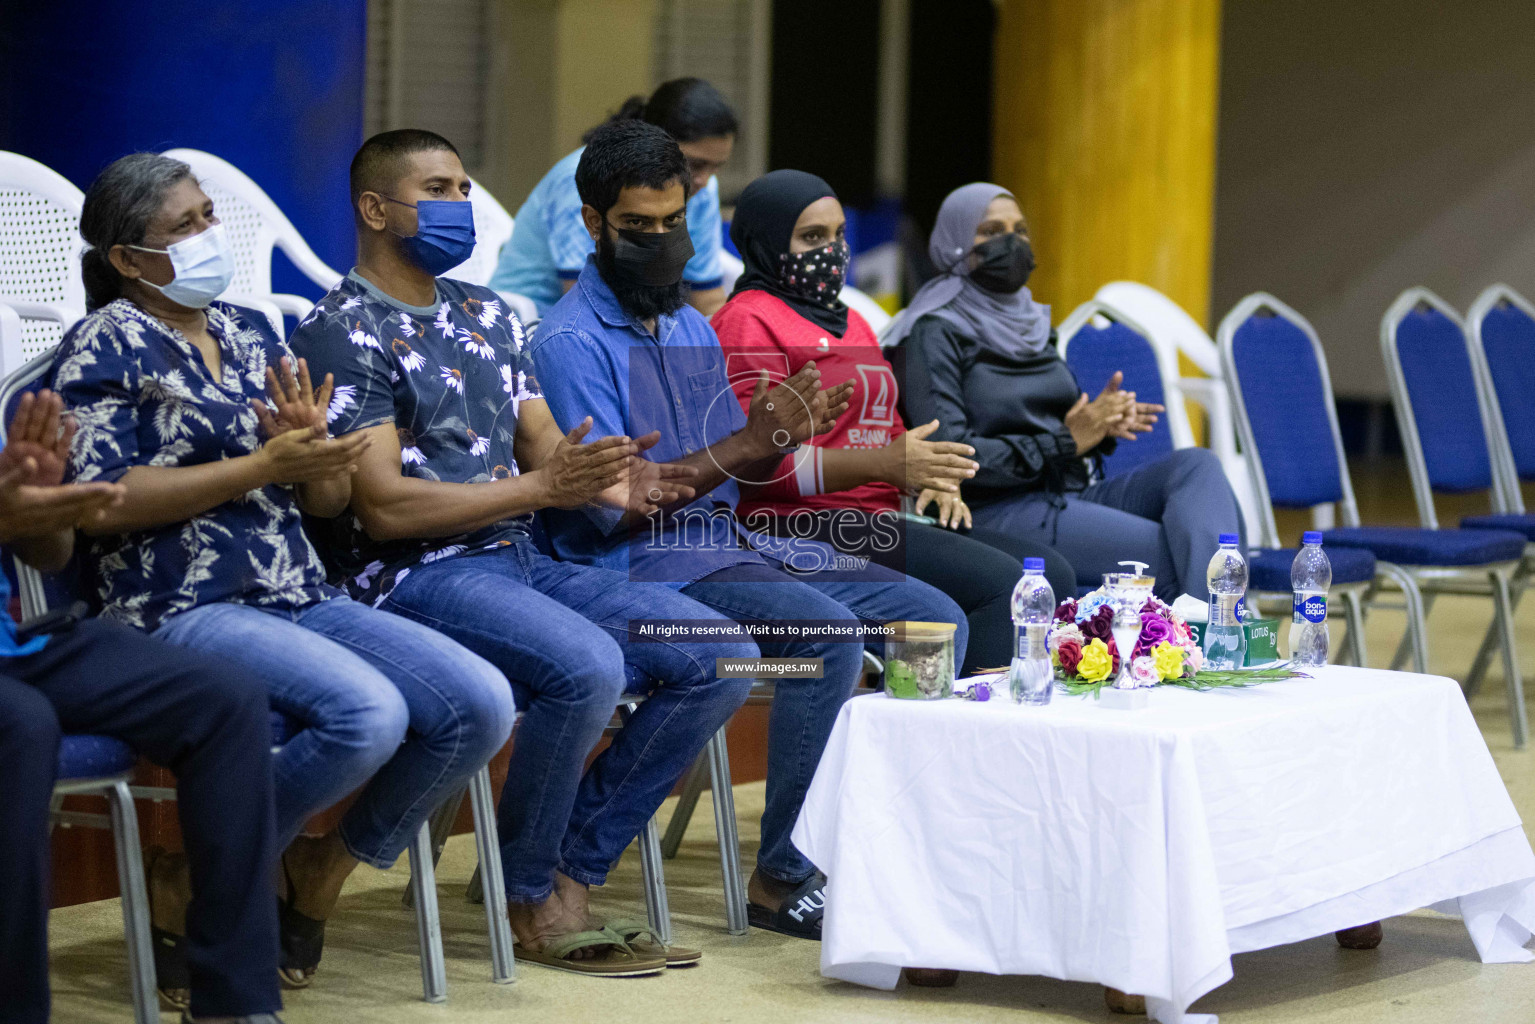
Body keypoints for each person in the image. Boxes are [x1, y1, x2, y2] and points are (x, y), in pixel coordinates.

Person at [290, 128, 756, 977]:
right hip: (412, 575)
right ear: (374, 206)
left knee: (720, 652)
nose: (461, 205)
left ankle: (567, 875)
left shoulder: (491, 314)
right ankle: (527, 897)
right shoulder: (341, 327)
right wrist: (543, 492)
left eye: (466, 188)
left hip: (520, 559)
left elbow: (549, 448)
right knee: (583, 666)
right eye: (439, 188)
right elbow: (387, 510)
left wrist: (618, 481)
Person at [52, 153, 515, 994]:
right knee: (367, 714)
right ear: (127, 260)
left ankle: (291, 867)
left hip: (296, 586)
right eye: (183, 227)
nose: (207, 236)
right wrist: (261, 466)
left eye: (206, 217)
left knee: (477, 706)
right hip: (177, 600)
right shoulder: (105, 341)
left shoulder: (249, 328)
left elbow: (329, 502)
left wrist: (314, 458)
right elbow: (103, 501)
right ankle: (218, 876)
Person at [530, 120, 969, 941]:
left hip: (728, 539)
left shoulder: (687, 326)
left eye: (674, 224)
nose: (662, 244)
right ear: (593, 225)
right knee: (827, 639)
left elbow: (731, 471)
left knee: (932, 621)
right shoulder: (568, 341)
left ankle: (897, 850)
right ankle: (784, 874)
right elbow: (622, 503)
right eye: (638, 228)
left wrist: (783, 435)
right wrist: (755, 439)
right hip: (640, 561)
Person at [712, 169, 1077, 674]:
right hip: (801, 522)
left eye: (839, 235)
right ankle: (964, 726)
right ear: (766, 241)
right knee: (1003, 587)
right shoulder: (746, 321)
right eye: (812, 237)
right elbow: (753, 463)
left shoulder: (851, 318)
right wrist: (886, 463)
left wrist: (931, 473)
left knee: (1051, 572)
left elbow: (881, 425)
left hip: (882, 514)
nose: (833, 250)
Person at [0, 389, 285, 1024]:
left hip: (19, 643)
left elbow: (43, 555)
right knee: (22, 725)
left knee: (225, 698)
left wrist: (39, 515)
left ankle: (234, 1003)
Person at [888, 182, 1243, 601]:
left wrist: (1101, 423)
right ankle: (1218, 637)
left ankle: (1216, 629)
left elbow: (1067, 429)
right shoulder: (932, 333)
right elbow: (951, 457)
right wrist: (1067, 440)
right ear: (954, 244)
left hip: (1068, 492)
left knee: (1198, 469)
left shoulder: (1032, 324)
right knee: (1176, 556)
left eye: (1020, 230)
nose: (1011, 241)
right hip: (997, 509)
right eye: (991, 231)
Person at [491, 77, 736, 318]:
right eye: (695, 163)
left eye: (716, 167)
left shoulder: (702, 188)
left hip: (634, 318)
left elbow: (707, 297)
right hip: (534, 320)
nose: (703, 180)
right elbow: (581, 300)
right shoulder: (580, 176)